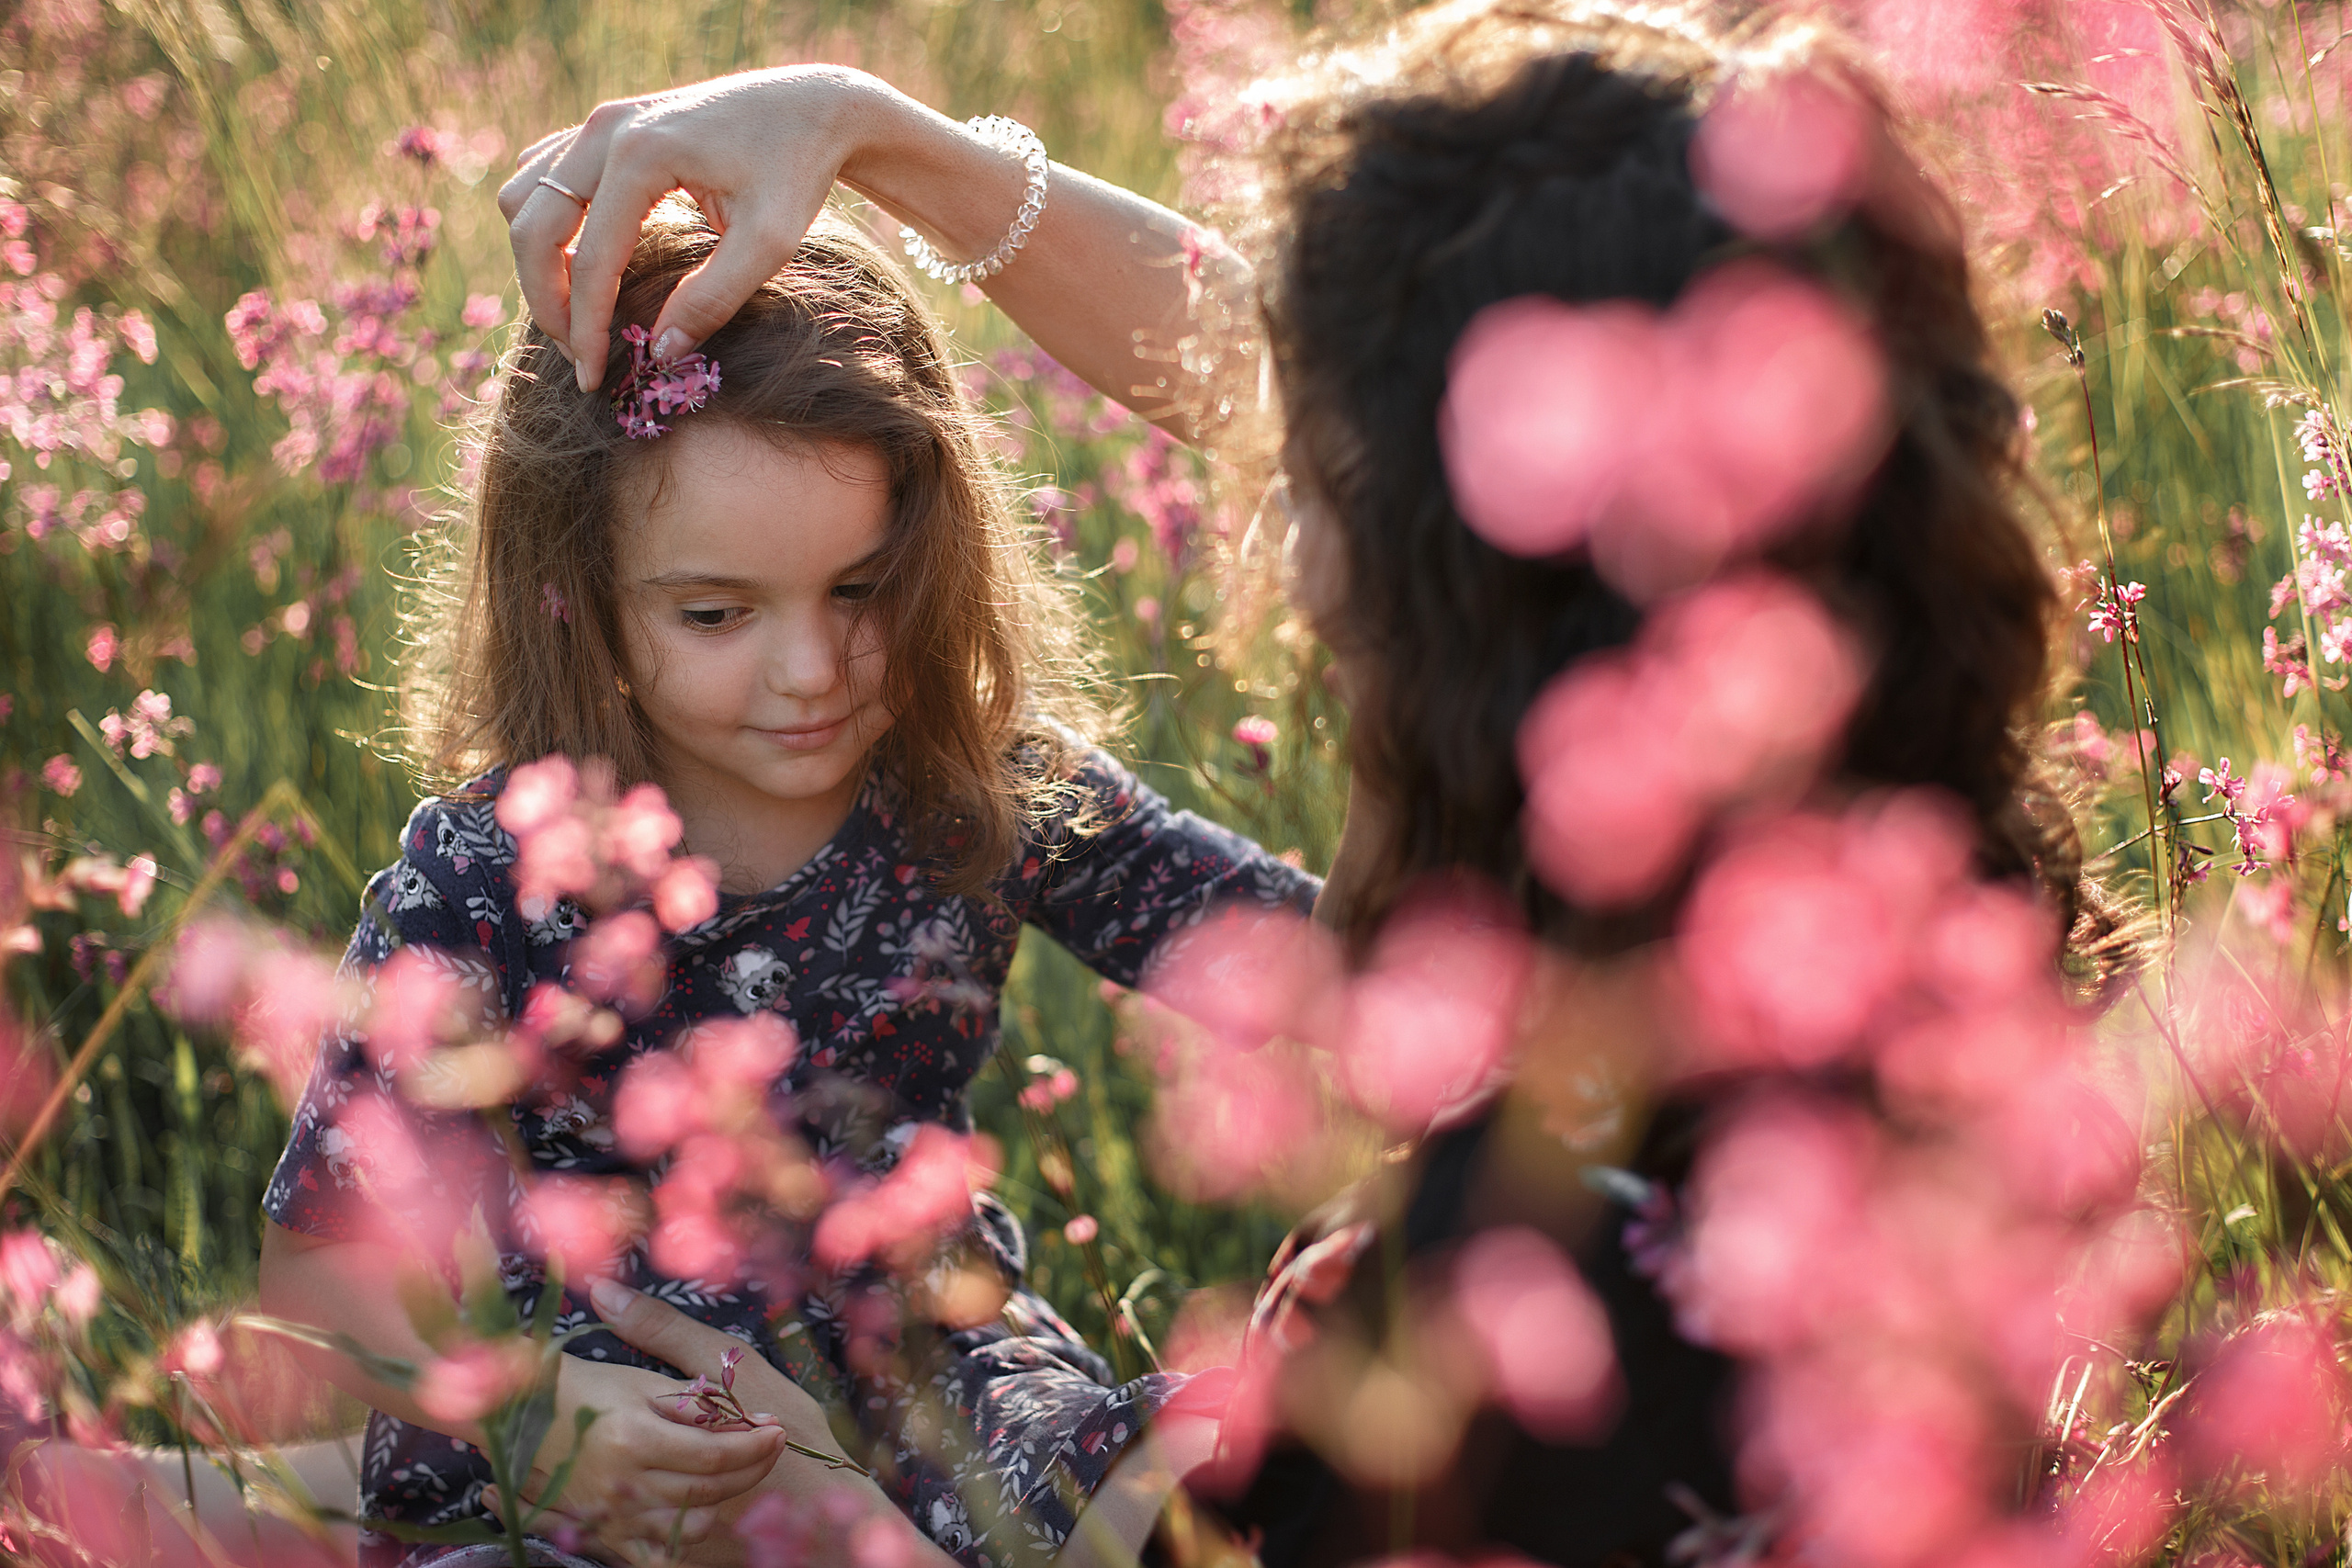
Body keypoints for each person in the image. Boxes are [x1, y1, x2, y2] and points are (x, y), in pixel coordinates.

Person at [497, 1, 2132, 1562]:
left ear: (1464, 580)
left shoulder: (1488, 1314)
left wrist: (827, 1524)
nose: (1273, 522)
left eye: (1320, 479)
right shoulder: (1909, 1000)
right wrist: (871, 133)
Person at [255, 205, 1318, 1568]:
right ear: (575, 592)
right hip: (621, 1430)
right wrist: (529, 1419)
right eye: (716, 614)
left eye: (864, 590)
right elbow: (316, 1292)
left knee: (1205, 1486)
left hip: (943, 1389)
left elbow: (1319, 960)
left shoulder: (975, 785)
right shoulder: (480, 876)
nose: (811, 671)